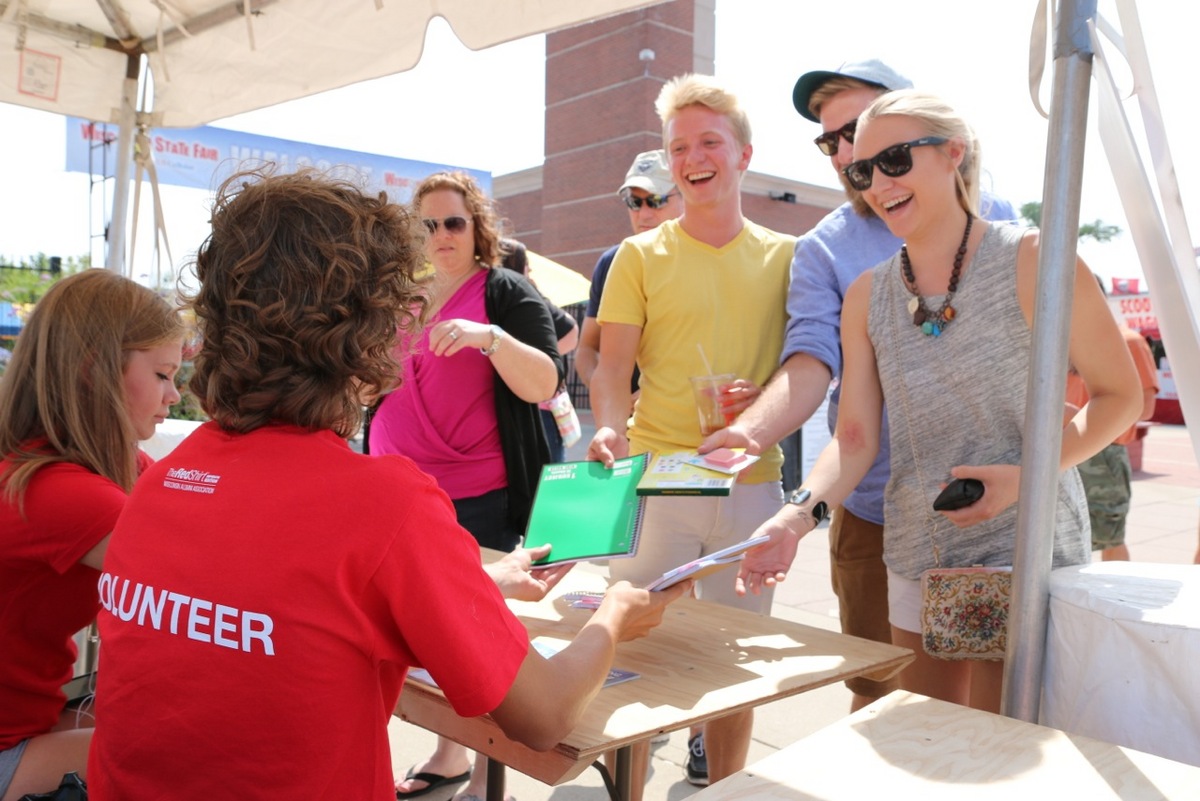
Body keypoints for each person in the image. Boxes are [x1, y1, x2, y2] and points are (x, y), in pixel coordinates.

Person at [87, 168, 688, 800]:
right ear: (369, 328)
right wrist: (617, 612)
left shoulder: (157, 487)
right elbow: (544, 716)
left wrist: (480, 581)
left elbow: (295, 605)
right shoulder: (383, 504)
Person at [734, 90, 1142, 714]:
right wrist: (795, 518)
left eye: (895, 159)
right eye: (863, 170)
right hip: (919, 554)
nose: (877, 183)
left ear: (953, 153)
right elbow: (854, 439)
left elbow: (1120, 397)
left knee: (1010, 749)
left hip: (1029, 552)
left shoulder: (1033, 258)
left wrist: (1028, 478)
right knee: (931, 742)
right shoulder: (865, 296)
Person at [700, 59, 1017, 713]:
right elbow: (823, 384)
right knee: (886, 703)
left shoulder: (1011, 235)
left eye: (868, 136)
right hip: (879, 513)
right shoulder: (830, 255)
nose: (850, 156)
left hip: (996, 515)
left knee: (997, 711)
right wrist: (764, 455)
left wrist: (1041, 469)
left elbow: (1091, 385)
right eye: (833, 142)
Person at [587, 73, 794, 787]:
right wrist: (610, 429)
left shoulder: (789, 257)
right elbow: (612, 368)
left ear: (744, 155)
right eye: (680, 146)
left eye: (710, 141)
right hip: (657, 481)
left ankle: (724, 788)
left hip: (750, 486)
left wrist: (762, 400)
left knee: (733, 664)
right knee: (638, 656)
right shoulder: (636, 255)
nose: (693, 156)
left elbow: (806, 367)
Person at [366, 172, 562, 801]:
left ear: (477, 228)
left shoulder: (503, 291)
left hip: (477, 499)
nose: (441, 235)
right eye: (428, 224)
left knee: (473, 643)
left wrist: (491, 339)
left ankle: (484, 772)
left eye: (454, 222)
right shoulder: (403, 298)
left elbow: (545, 384)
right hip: (396, 494)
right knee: (416, 645)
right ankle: (451, 756)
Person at [0, 269, 183, 801]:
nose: (175, 394)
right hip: (11, 741)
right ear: (92, 371)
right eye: (164, 373)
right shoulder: (59, 492)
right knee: (185, 753)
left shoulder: (102, 465)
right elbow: (205, 577)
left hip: (30, 720)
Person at [575, 149, 682, 394]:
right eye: (634, 202)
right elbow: (587, 350)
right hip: (627, 425)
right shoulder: (612, 261)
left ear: (685, 195)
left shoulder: (705, 257)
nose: (644, 213)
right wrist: (610, 395)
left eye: (657, 200)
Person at [1066, 287, 1158, 561]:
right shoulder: (1069, 340)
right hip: (1066, 448)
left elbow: (1145, 406)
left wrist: (1089, 418)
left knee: (1109, 537)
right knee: (1065, 539)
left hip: (1102, 453)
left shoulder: (1128, 341)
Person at [500, 238, 579, 463]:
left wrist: (538, 363)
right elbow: (571, 330)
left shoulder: (524, 296)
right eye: (527, 264)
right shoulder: (520, 295)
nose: (530, 270)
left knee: (545, 471)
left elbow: (571, 330)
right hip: (532, 402)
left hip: (538, 403)